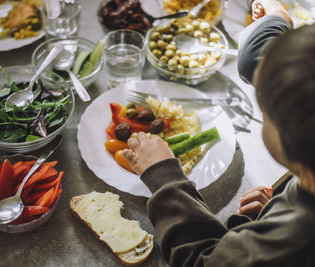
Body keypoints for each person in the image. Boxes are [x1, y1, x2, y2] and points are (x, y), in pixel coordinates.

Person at [122, 0, 315, 266]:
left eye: (265, 112)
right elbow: (255, 60)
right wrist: (272, 215)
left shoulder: (298, 236)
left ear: (286, 138)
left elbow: (200, 259)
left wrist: (164, 177)